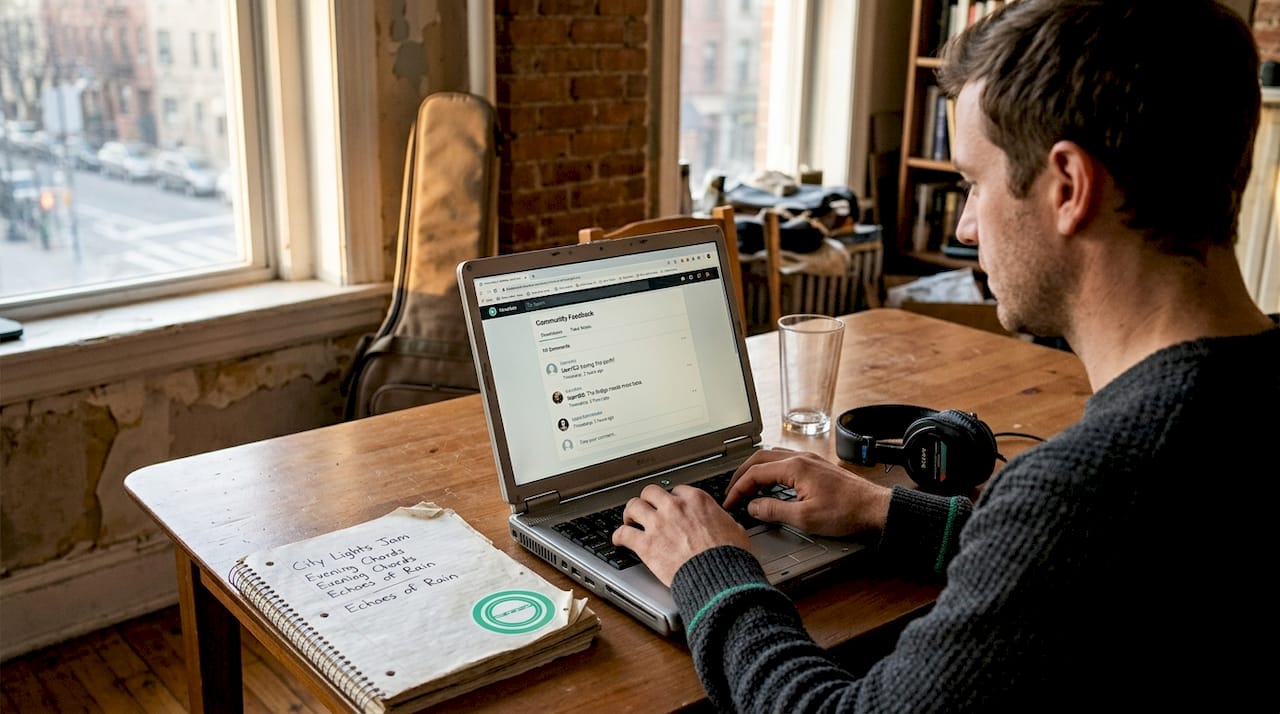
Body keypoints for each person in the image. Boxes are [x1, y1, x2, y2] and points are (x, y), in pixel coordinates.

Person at [612, 1, 1280, 711]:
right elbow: (1085, 574)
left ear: (1068, 188)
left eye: (972, 183)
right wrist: (884, 512)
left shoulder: (1090, 492)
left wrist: (715, 570)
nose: (963, 226)